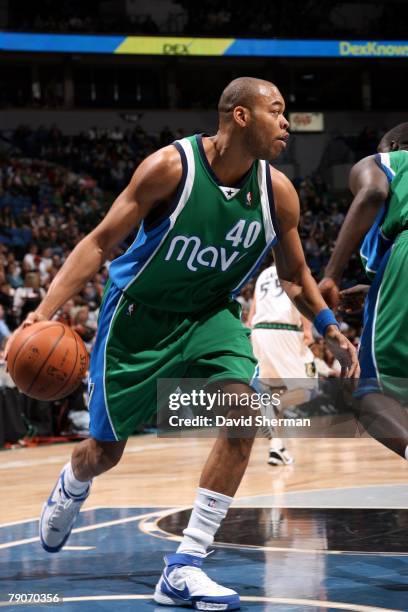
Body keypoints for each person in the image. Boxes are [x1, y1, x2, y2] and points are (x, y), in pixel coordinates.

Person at [10, 77, 357, 610]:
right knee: (105, 451)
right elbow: (101, 242)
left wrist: (330, 327)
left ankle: (185, 564)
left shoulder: (278, 192)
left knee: (244, 412)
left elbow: (294, 275)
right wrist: (43, 312)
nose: (287, 122)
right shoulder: (170, 168)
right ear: (240, 116)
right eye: (277, 111)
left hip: (208, 316)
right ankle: (73, 482)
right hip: (137, 321)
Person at [320, 123, 408, 460]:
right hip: (393, 276)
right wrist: (376, 287)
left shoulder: (389, 160)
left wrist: (331, 274)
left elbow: (371, 193)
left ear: (394, 144)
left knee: (369, 391)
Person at [249, 263, 317, 465]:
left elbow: (252, 313)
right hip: (284, 330)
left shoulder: (262, 275)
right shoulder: (295, 268)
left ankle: (276, 447)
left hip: (258, 332)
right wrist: (307, 329)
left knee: (275, 392)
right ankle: (270, 407)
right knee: (309, 387)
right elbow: (304, 298)